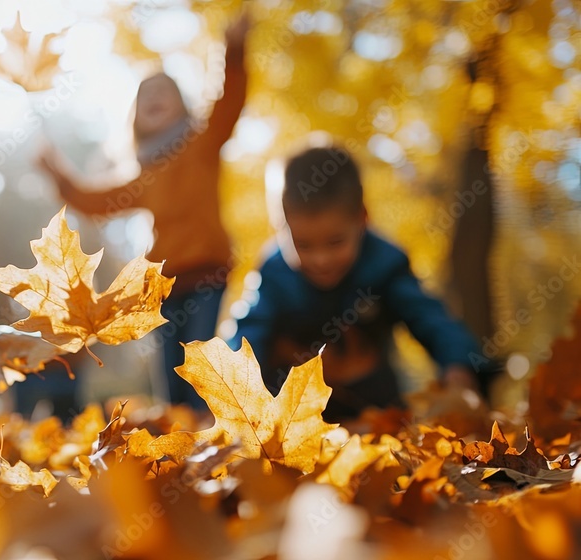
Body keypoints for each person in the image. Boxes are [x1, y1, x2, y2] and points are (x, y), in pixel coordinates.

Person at [38, 15, 250, 409]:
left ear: (181, 104)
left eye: (163, 91)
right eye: (145, 93)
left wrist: (233, 51)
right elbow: (96, 203)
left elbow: (229, 101)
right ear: (134, 114)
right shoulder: (144, 173)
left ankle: (206, 433)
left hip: (206, 270)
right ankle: (177, 435)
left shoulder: (201, 143)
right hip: (164, 283)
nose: (154, 97)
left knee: (199, 357)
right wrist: (59, 175)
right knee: (170, 370)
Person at [229, 144, 483, 422]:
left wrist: (459, 367)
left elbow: (431, 319)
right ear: (280, 228)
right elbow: (249, 330)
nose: (321, 259)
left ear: (362, 219)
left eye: (335, 242)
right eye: (303, 245)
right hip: (295, 415)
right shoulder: (274, 270)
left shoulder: (385, 263)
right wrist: (237, 387)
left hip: (374, 409)